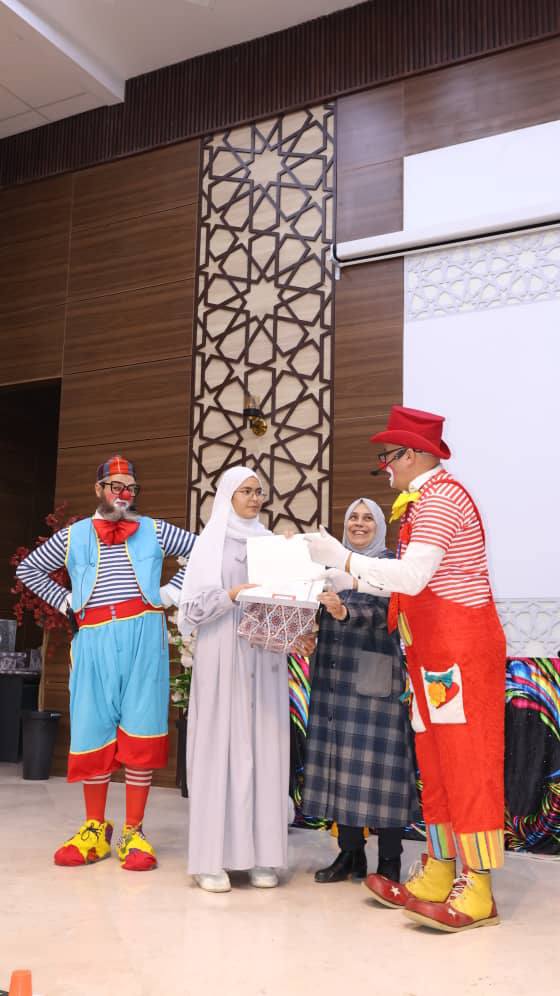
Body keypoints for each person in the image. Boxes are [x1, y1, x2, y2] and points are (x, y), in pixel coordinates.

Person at [306, 406, 506, 932]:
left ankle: (478, 887)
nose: (385, 467)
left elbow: (414, 577)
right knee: (436, 767)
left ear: (412, 455)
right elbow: (407, 582)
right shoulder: (422, 502)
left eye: (388, 457)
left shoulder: (441, 499)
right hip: (429, 655)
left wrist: (346, 560)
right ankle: (440, 870)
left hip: (458, 652)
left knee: (466, 765)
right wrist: (351, 580)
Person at [16, 455, 196, 871]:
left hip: (144, 636)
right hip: (93, 636)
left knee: (142, 724)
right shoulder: (73, 535)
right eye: (115, 485)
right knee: (92, 725)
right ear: (98, 490)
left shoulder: (155, 529)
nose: (123, 493)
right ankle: (95, 827)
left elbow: (201, 551)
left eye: (130, 486)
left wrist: (170, 593)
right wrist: (67, 601)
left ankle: (134, 829)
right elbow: (29, 568)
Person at [178, 465, 290, 893]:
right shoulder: (210, 544)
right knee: (219, 748)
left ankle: (263, 857)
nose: (255, 498)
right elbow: (192, 610)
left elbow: (287, 597)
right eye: (246, 491)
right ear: (227, 495)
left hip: (264, 656)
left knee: (264, 748)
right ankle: (210, 860)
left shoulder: (269, 542)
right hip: (222, 652)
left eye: (259, 491)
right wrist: (231, 594)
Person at [304, 498, 419, 885]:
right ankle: (350, 853)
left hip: (375, 679)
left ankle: (390, 859)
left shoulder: (388, 565)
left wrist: (345, 611)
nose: (359, 523)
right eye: (352, 516)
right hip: (332, 676)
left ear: (380, 526)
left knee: (385, 773)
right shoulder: (328, 566)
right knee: (340, 766)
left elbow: (392, 613)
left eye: (368, 518)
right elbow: (312, 609)